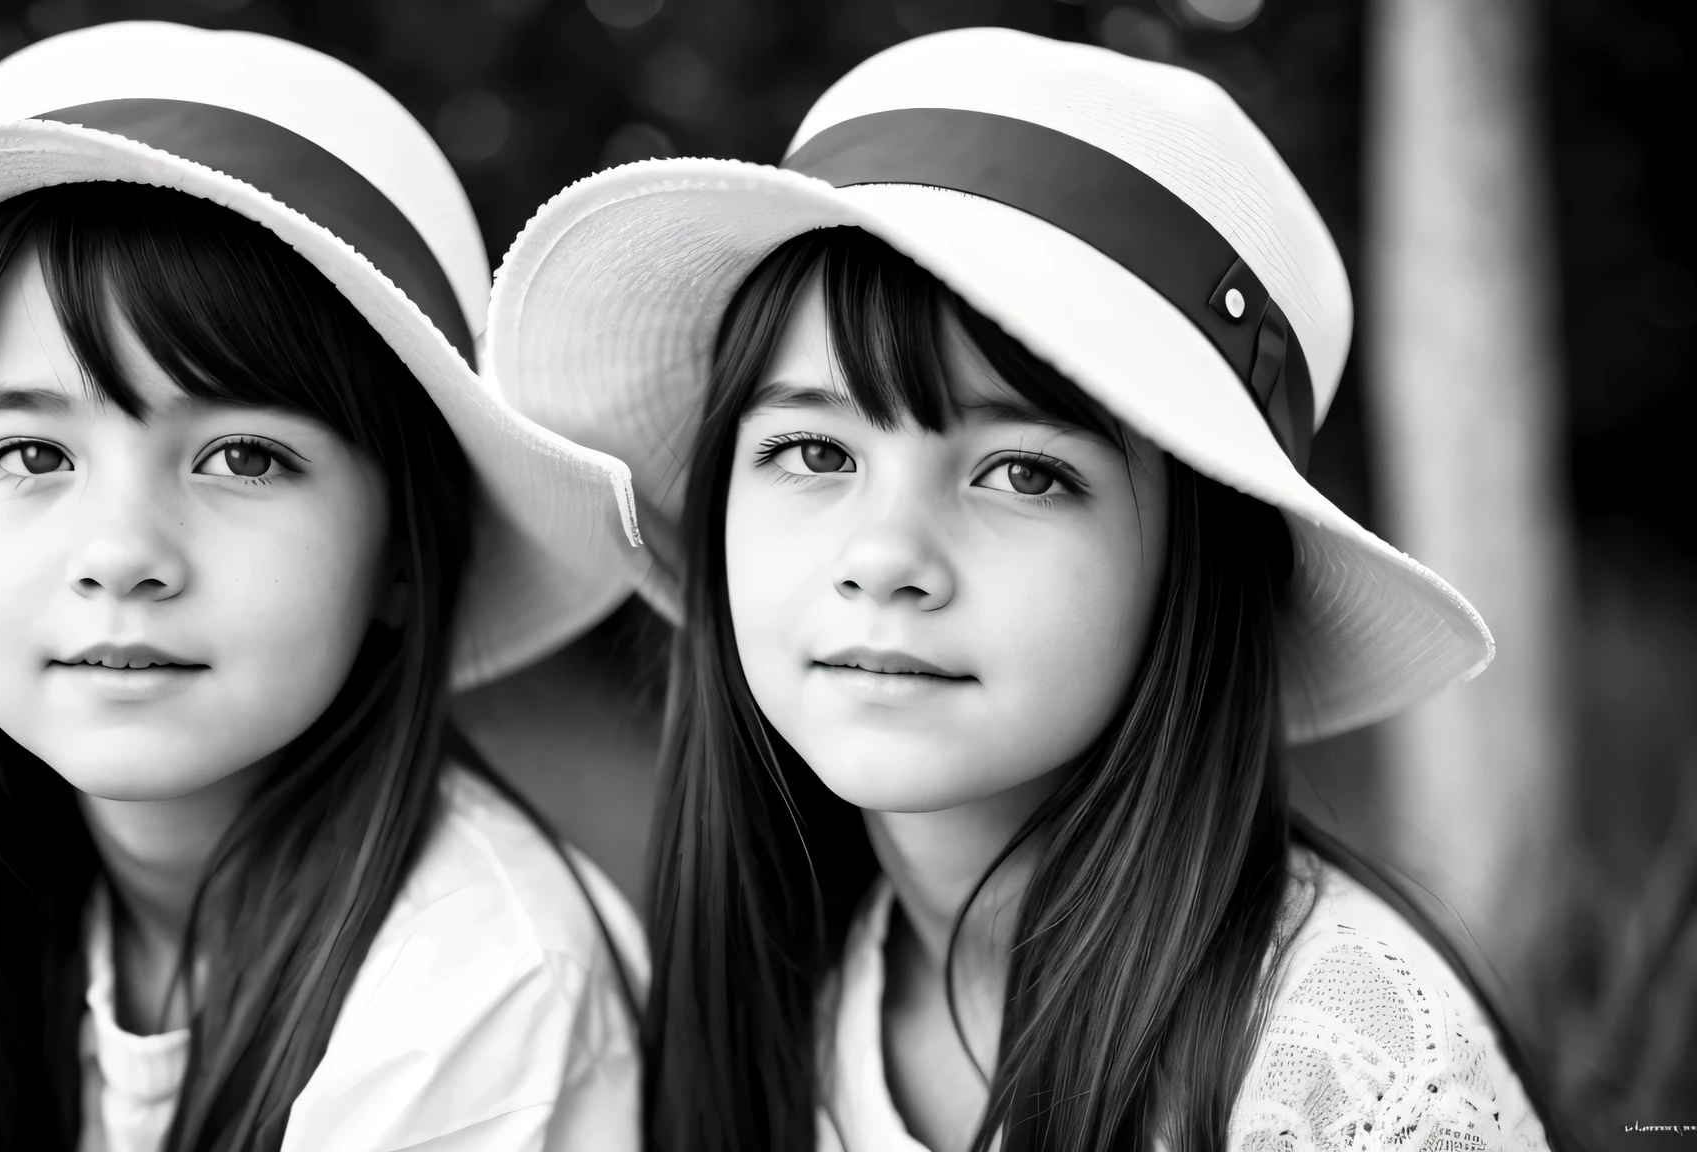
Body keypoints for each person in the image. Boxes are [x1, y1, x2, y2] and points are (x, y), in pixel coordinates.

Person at [485, 26, 1560, 1152]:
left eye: (1023, 472)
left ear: (1192, 569)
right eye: (813, 452)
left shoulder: (1340, 1065)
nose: (885, 555)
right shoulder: (776, 989)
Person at [0, 21, 644, 1152]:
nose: (120, 552)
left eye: (245, 459)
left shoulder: (481, 994)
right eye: (31, 457)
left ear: (402, 556)